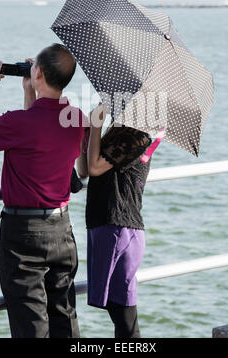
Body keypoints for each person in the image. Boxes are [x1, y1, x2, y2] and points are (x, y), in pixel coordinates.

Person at [0, 43, 89, 338]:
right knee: (64, 318)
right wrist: (30, 92)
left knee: (30, 323)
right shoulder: (78, 120)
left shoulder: (19, 123)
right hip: (62, 231)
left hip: (23, 235)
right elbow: (39, 132)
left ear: (40, 74)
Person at [76, 103, 152, 338]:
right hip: (108, 226)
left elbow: (95, 167)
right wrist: (88, 132)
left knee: (125, 318)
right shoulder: (120, 130)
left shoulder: (138, 137)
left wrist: (96, 125)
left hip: (119, 229)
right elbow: (83, 170)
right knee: (119, 313)